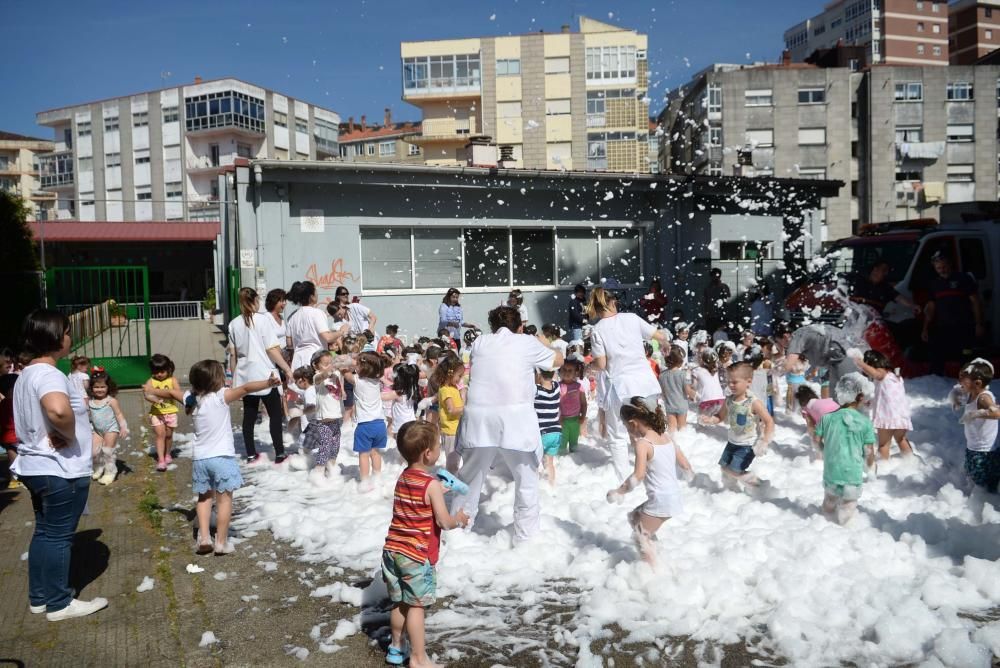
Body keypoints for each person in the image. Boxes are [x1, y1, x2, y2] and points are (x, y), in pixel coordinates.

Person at [12, 309, 108, 621]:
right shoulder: (49, 374)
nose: (70, 337)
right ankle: (58, 602)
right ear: (55, 337)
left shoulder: (26, 373)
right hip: (58, 469)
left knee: (45, 532)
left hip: (37, 467)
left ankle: (40, 597)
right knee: (59, 536)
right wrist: (66, 432)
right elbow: (57, 411)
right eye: (66, 332)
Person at [450, 306, 563, 542]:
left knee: (469, 477)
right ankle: (526, 537)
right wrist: (542, 341)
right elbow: (558, 360)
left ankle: (456, 531)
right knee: (526, 480)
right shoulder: (526, 342)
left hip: (479, 418)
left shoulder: (480, 343)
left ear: (492, 327)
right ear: (520, 327)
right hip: (516, 419)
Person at [146, 360, 280, 554]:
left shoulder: (190, 398)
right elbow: (246, 388)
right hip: (222, 458)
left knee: (204, 498)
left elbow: (168, 393)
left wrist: (150, 390)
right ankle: (221, 542)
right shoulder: (221, 396)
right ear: (217, 380)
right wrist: (268, 383)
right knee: (224, 501)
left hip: (201, 459)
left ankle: (204, 538)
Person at [382, 421, 470, 668]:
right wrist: (459, 519)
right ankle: (419, 659)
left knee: (400, 602)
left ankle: (396, 647)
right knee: (416, 606)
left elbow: (417, 500)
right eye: (437, 445)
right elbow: (443, 521)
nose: (439, 449)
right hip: (416, 556)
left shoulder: (404, 477)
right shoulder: (430, 485)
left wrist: (437, 491)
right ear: (428, 454)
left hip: (393, 550)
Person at [586, 286, 670, 484]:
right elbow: (659, 336)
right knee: (654, 428)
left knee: (618, 436)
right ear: (613, 302)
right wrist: (665, 343)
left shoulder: (598, 330)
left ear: (597, 308)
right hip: (646, 384)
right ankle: (660, 470)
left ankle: (624, 479)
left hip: (622, 388)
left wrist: (588, 367)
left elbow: (601, 364)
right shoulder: (632, 318)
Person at [605, 397, 692, 565]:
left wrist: (618, 492)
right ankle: (655, 551)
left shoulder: (643, 444)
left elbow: (638, 476)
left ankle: (654, 571)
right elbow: (685, 464)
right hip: (672, 498)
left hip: (660, 500)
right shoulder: (666, 437)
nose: (627, 430)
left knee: (639, 537)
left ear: (633, 423)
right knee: (633, 518)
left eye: (626, 426)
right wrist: (692, 477)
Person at [229, 288, 294, 464]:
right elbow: (272, 349)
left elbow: (233, 355)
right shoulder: (262, 320)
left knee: (249, 416)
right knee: (274, 414)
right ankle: (279, 453)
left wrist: (233, 379)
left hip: (245, 376)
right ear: (256, 300)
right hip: (266, 374)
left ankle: (250, 454)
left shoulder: (233, 323)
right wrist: (287, 369)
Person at [815, 373, 877, 525]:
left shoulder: (827, 418)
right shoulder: (864, 422)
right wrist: (870, 469)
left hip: (831, 470)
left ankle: (823, 525)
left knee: (829, 502)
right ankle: (845, 532)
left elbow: (817, 441)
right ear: (861, 396)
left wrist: (826, 452)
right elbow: (869, 451)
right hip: (852, 474)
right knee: (848, 508)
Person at [704, 362, 775, 488]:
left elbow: (769, 421)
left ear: (748, 382)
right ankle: (732, 492)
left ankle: (761, 487)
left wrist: (764, 441)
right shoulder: (729, 400)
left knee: (734, 471)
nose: (730, 385)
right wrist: (710, 420)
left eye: (734, 382)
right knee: (724, 468)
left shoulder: (754, 402)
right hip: (732, 442)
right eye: (728, 381)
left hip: (747, 445)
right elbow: (720, 416)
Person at [922, 251, 985, 376]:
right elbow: (930, 308)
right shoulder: (934, 284)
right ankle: (936, 384)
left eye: (944, 266)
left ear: (950, 264)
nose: (942, 270)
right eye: (938, 268)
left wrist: (979, 324)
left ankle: (967, 383)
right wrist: (925, 328)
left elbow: (976, 302)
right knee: (938, 355)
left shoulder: (963, 279)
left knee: (966, 355)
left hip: (964, 325)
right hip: (944, 327)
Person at [851, 349, 913, 460]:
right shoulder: (894, 376)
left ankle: (883, 469)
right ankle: (911, 462)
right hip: (901, 416)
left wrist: (860, 363)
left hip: (887, 417)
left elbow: (875, 373)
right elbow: (889, 397)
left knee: (884, 445)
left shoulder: (881, 373)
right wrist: (871, 403)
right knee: (901, 440)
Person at [344, 351, 388, 484]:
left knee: (363, 455)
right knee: (375, 453)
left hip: (365, 425)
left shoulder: (358, 381)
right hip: (380, 424)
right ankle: (377, 477)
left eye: (358, 364)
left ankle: (364, 481)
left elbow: (345, 372)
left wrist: (347, 363)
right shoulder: (376, 382)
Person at [956, 359, 999, 492]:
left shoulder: (983, 398)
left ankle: (988, 501)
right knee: (972, 474)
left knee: (983, 481)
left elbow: (997, 413)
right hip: (974, 447)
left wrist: (976, 414)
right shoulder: (972, 393)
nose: (960, 382)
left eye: (963, 380)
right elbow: (960, 393)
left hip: (984, 451)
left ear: (977, 383)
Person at [286, 281, 348, 370]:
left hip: (297, 362)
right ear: (311, 296)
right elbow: (328, 338)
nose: (317, 294)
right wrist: (341, 331)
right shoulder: (317, 313)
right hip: (316, 361)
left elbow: (289, 344)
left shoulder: (292, 317)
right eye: (316, 291)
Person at [784, 323, 859, 393]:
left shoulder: (798, 336)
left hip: (839, 363)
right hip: (841, 360)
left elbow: (787, 365)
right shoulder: (814, 334)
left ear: (786, 336)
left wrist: (775, 369)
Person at [87, 368, 127, 485]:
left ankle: (110, 472)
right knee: (94, 452)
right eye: (96, 387)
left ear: (108, 387)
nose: (99, 390)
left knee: (107, 451)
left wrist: (123, 427)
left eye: (102, 387)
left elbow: (119, 414)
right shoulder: (91, 401)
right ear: (91, 388)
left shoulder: (111, 401)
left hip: (111, 429)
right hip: (97, 430)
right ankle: (99, 467)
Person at [308, 350, 345, 477]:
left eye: (331, 362)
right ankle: (318, 471)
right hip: (324, 421)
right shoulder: (317, 377)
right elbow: (321, 376)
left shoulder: (336, 374)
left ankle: (332, 468)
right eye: (325, 363)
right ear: (315, 366)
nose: (329, 365)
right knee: (325, 446)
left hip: (336, 418)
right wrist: (329, 370)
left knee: (335, 446)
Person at [145, 354, 179, 472]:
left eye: (162, 371)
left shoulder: (172, 380)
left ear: (168, 369)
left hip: (170, 412)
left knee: (168, 435)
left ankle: (167, 454)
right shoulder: (151, 381)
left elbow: (177, 393)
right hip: (156, 413)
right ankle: (161, 460)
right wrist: (154, 399)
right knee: (160, 435)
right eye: (156, 371)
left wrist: (163, 393)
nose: (159, 374)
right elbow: (147, 394)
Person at [432, 356, 465, 473]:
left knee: (456, 459)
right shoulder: (446, 389)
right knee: (452, 460)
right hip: (450, 431)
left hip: (456, 428)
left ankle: (452, 480)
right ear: (450, 374)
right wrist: (467, 408)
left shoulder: (453, 387)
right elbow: (451, 410)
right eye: (459, 376)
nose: (461, 379)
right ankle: (448, 484)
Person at [535, 368, 562, 485]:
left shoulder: (536, 390)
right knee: (549, 462)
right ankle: (552, 484)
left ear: (539, 374)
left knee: (534, 463)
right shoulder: (556, 387)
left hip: (543, 433)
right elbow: (553, 378)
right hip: (556, 432)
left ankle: (538, 486)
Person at [796, 385, 840, 455]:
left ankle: (820, 456)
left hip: (831, 424)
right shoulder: (825, 400)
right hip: (844, 416)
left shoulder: (806, 409)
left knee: (816, 436)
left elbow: (810, 426)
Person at [658, 345, 691, 433]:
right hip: (681, 405)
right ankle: (683, 443)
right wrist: (696, 395)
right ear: (679, 360)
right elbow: (688, 389)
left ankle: (672, 443)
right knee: (682, 427)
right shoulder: (683, 374)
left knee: (671, 428)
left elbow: (662, 392)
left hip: (669, 405)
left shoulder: (662, 376)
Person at [558, 360, 587, 454]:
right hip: (562, 420)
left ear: (575, 373)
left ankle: (574, 459)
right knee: (562, 443)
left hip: (576, 420)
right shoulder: (558, 386)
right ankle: (562, 461)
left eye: (570, 370)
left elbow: (584, 403)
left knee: (574, 442)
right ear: (560, 371)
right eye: (564, 370)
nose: (567, 372)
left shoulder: (579, 386)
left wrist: (583, 416)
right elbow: (555, 403)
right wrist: (558, 417)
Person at [387, 363, 420, 438]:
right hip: (410, 422)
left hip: (401, 425)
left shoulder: (398, 393)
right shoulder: (412, 389)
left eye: (394, 373)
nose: (392, 375)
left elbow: (383, 396)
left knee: (400, 444)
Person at [691, 349, 725, 421]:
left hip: (706, 401)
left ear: (702, 360)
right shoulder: (716, 370)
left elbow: (694, 386)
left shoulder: (696, 371)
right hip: (721, 400)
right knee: (716, 422)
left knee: (702, 422)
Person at [703, 267, 731, 334]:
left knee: (722, 333)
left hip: (721, 315)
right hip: (711, 315)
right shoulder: (708, 288)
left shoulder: (723, 286)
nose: (715, 278)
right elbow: (705, 301)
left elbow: (727, 296)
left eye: (717, 276)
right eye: (713, 276)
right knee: (711, 333)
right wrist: (705, 313)